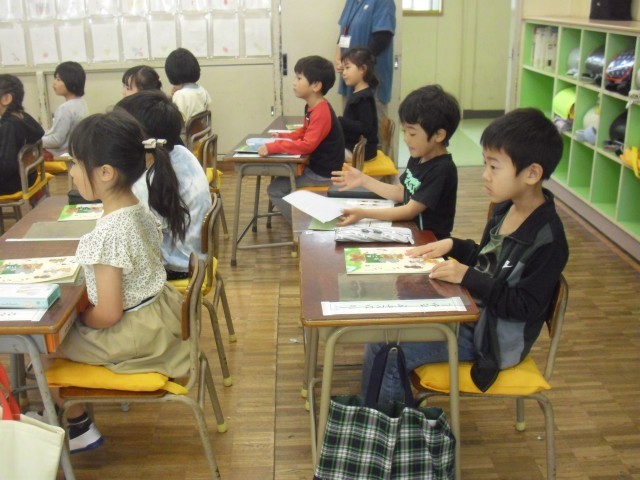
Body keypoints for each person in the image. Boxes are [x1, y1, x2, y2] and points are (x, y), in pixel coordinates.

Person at [361, 108, 570, 401]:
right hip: (470, 312)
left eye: (494, 167)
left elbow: (524, 307)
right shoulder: (506, 207)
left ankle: (389, 424)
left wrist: (468, 276)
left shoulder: (548, 240)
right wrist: (453, 246)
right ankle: (377, 415)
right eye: (485, 163)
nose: (485, 175)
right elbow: (488, 258)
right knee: (385, 328)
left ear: (532, 174)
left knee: (389, 349)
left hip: (491, 340)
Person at [27, 110, 191, 453]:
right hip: (159, 318)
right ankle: (70, 415)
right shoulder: (137, 208)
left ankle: (77, 425)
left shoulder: (109, 233)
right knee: (59, 331)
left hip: (133, 334)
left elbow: (109, 313)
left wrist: (82, 320)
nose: (71, 172)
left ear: (105, 172)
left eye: (75, 163)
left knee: (38, 347)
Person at [331, 84, 460, 239]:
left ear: (439, 135)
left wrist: (364, 213)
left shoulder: (442, 169)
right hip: (411, 233)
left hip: (430, 242)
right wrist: (363, 179)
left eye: (412, 133)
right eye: (404, 131)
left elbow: (409, 210)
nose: (406, 139)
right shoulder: (418, 157)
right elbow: (402, 193)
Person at [116, 90, 212, 279]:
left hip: (178, 267)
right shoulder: (181, 153)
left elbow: (138, 245)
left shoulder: (148, 182)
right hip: (193, 258)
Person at [258, 55, 345, 223]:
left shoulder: (321, 112)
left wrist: (274, 147)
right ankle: (302, 219)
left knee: (275, 190)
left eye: (299, 78)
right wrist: (283, 136)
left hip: (322, 174)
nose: (294, 82)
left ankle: (302, 226)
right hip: (316, 168)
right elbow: (304, 131)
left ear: (316, 86)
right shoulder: (313, 106)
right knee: (280, 179)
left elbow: (307, 145)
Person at [335, 0, 396, 115]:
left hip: (370, 78)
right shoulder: (351, 2)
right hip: (349, 77)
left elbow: (382, 38)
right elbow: (344, 31)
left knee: (371, 122)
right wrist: (339, 58)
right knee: (349, 121)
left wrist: (356, 61)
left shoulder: (383, 2)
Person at [0, 74, 45, 195]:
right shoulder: (24, 117)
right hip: (29, 176)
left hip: (14, 182)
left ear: (6, 99)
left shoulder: (8, 125)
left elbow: (5, 167)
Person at [339, 47, 379, 162]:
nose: (343, 73)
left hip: (361, 152)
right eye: (343, 69)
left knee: (324, 151)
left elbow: (365, 127)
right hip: (355, 148)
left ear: (362, 69)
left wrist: (341, 121)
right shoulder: (358, 94)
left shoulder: (364, 98)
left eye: (347, 68)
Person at [42, 61, 89, 158]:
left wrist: (33, 140)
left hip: (62, 157)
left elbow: (56, 141)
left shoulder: (65, 108)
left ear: (71, 82)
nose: (54, 83)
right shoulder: (81, 102)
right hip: (76, 153)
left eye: (58, 79)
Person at [164, 48, 211, 121]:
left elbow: (174, 120)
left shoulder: (180, 95)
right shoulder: (202, 90)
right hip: (197, 128)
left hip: (182, 128)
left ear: (173, 74)